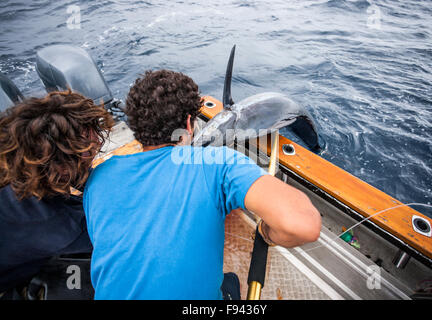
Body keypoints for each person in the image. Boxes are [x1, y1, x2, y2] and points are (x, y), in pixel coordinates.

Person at [83, 70, 322, 300]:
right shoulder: (217, 163)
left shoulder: (99, 175)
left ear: (135, 126)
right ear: (189, 124)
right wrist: (265, 232)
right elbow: (303, 226)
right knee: (230, 282)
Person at [0, 90, 114, 297]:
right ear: (62, 165)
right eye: (86, 149)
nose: (97, 141)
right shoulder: (67, 228)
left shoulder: (13, 160)